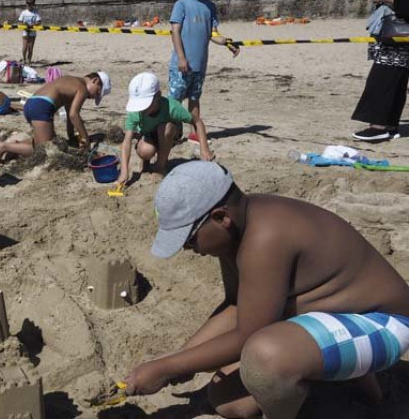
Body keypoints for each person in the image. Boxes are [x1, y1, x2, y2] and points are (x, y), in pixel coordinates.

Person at [123, 161, 409, 419]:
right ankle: (347, 377)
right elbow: (236, 306)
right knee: (227, 402)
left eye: (189, 239)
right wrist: (179, 360)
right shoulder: (237, 230)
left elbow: (249, 335)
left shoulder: (265, 239)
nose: (188, 248)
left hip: (384, 323)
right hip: (333, 313)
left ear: (222, 218)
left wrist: (168, 368)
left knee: (265, 358)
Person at [169, 0, 239, 142]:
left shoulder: (210, 7)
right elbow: (174, 31)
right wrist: (182, 58)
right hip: (181, 65)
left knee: (194, 99)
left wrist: (226, 42)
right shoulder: (181, 5)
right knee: (174, 101)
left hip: (200, 66)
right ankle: (171, 134)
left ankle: (195, 133)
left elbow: (212, 33)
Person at [0, 72, 110, 164]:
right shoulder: (82, 89)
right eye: (97, 92)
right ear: (95, 80)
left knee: (45, 141)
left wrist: (71, 136)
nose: (93, 97)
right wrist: (85, 138)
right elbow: (74, 114)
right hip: (42, 106)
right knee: (47, 149)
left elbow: (69, 114)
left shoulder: (71, 81)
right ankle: (3, 147)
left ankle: (16, 146)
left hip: (31, 103)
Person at [118, 72, 213, 186]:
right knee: (145, 150)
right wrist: (124, 172)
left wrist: (204, 148)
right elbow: (127, 142)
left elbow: (197, 121)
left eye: (145, 104)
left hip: (169, 135)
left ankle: (160, 166)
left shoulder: (171, 107)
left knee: (166, 127)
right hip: (149, 136)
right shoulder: (135, 113)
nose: (142, 109)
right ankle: (146, 162)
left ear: (158, 96)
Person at [351, 0, 409, 141]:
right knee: (395, 79)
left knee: (383, 77)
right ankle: (389, 125)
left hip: (400, 32)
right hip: (396, 31)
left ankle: (378, 126)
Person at [18, 0, 42, 66]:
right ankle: (24, 59)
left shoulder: (35, 12)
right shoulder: (24, 12)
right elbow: (20, 21)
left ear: (33, 4)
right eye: (28, 3)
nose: (29, 5)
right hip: (25, 32)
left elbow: (39, 21)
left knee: (30, 48)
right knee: (24, 47)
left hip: (32, 32)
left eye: (31, 4)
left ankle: (29, 61)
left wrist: (33, 25)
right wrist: (24, 25)